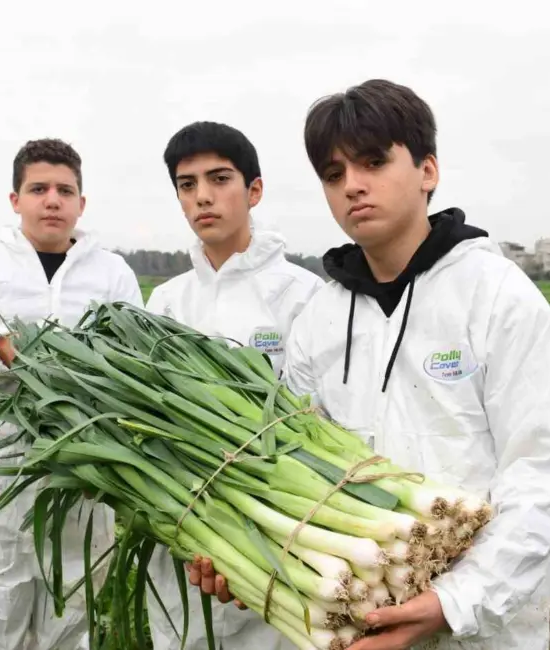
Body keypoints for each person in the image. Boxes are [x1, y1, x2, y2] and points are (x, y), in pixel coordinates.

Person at [192, 79, 550, 649]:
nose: (353, 185)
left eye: (374, 162)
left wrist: (455, 600)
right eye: (333, 174)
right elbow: (292, 463)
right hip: (359, 617)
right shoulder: (321, 318)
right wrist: (246, 557)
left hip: (481, 629)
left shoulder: (496, 295)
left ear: (428, 170)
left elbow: (546, 471)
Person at [0, 138, 144, 650]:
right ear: (15, 200)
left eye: (65, 190)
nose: (52, 200)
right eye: (38, 189)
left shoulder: (112, 275)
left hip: (79, 488)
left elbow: (134, 375)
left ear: (82, 202)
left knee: (69, 626)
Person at [142, 120, 325, 650]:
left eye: (219, 179)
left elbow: (321, 419)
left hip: (278, 537)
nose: (203, 196)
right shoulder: (165, 303)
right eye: (187, 184)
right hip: (186, 533)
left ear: (254, 190)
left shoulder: (304, 295)